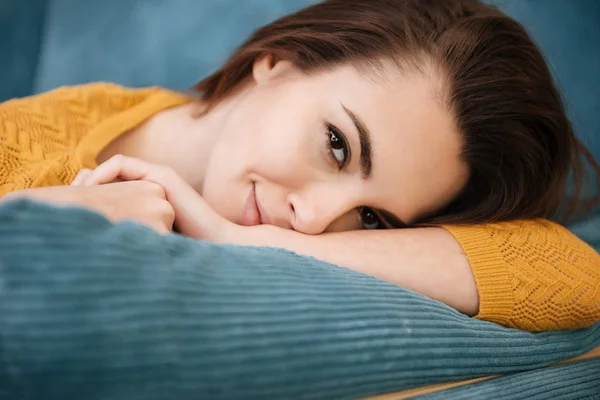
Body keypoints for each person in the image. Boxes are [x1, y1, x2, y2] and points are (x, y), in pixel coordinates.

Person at [0, 0, 599, 332]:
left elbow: (571, 274)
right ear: (278, 61)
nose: (314, 220)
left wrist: (232, 236)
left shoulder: (255, 224)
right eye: (338, 146)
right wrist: (55, 220)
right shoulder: (31, 137)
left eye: (371, 218)